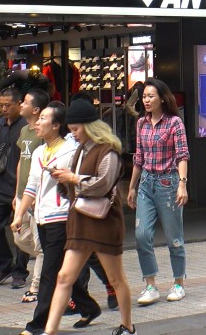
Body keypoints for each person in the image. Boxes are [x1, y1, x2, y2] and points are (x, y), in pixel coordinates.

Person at [43, 98, 135, 335]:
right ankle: (50, 330)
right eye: (71, 130)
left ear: (89, 126)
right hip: (81, 222)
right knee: (64, 277)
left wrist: (72, 179)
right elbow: (78, 188)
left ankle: (127, 325)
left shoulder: (109, 152)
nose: (73, 135)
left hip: (103, 223)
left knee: (116, 279)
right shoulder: (81, 151)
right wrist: (63, 179)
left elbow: (102, 185)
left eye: (75, 129)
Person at [13, 102, 99, 335]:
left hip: (61, 218)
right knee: (61, 269)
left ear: (57, 125)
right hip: (41, 217)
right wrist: (20, 214)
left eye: (43, 118)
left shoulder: (70, 151)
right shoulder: (40, 152)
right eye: (39, 118)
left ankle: (37, 325)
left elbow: (84, 180)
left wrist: (68, 178)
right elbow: (31, 186)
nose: (38, 123)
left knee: (49, 272)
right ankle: (89, 307)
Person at [127, 78, 190, 305]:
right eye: (144, 96)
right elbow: (139, 158)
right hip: (146, 183)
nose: (146, 100)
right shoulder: (141, 124)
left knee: (174, 238)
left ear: (162, 98)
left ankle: (178, 283)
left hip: (168, 184)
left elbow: (182, 155)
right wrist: (132, 187)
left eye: (151, 96)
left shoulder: (174, 123)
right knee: (142, 235)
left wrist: (182, 184)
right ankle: (150, 285)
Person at [0, 86, 30, 287]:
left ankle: (20, 271)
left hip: (20, 187)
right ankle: (4, 265)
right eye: (0, 105)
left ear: (19, 105)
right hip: (0, 184)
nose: (3, 109)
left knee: (21, 232)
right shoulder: (0, 126)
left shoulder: (26, 127)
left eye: (7, 105)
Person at [15, 88, 47, 303]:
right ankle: (51, 262)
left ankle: (36, 286)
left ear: (35, 109)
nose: (21, 104)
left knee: (40, 245)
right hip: (22, 195)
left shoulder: (43, 134)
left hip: (37, 196)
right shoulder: (25, 131)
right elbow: (21, 162)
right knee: (19, 237)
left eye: (25, 102)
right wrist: (16, 193)